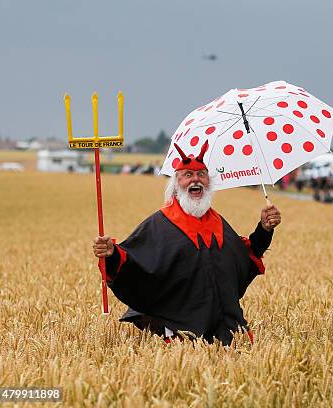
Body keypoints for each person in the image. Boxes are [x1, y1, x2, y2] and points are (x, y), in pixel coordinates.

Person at [92, 141, 282, 346]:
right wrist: (111, 254)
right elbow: (133, 263)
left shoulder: (217, 222)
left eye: (201, 174)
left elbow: (244, 259)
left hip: (227, 328)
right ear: (176, 183)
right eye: (188, 175)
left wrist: (264, 228)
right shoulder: (160, 223)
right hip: (179, 330)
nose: (196, 180)